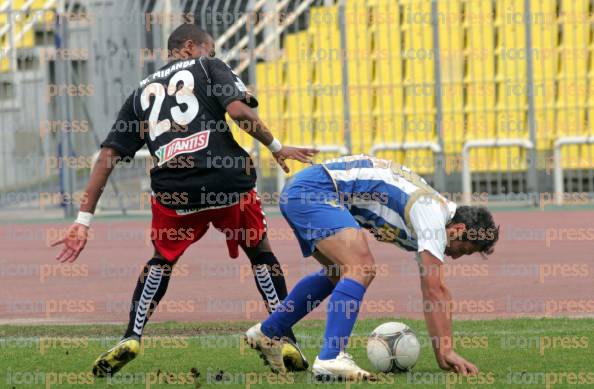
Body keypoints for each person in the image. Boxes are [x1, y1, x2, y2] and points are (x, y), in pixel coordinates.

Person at [50, 24, 316, 376]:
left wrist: (82, 221)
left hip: (174, 190)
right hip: (226, 181)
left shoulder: (140, 92)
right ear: (191, 46)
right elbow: (239, 113)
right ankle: (284, 337)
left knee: (162, 258)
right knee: (260, 250)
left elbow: (108, 155)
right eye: (211, 47)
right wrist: (277, 147)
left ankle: (132, 335)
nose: (213, 52)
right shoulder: (208, 66)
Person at [245, 154, 499, 380]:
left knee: (337, 273)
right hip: (314, 191)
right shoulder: (431, 214)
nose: (455, 258)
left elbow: (435, 292)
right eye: (462, 250)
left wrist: (444, 348)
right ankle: (331, 358)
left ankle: (269, 331)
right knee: (362, 268)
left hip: (305, 191)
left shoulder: (433, 211)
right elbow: (435, 290)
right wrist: (446, 351)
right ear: (458, 230)